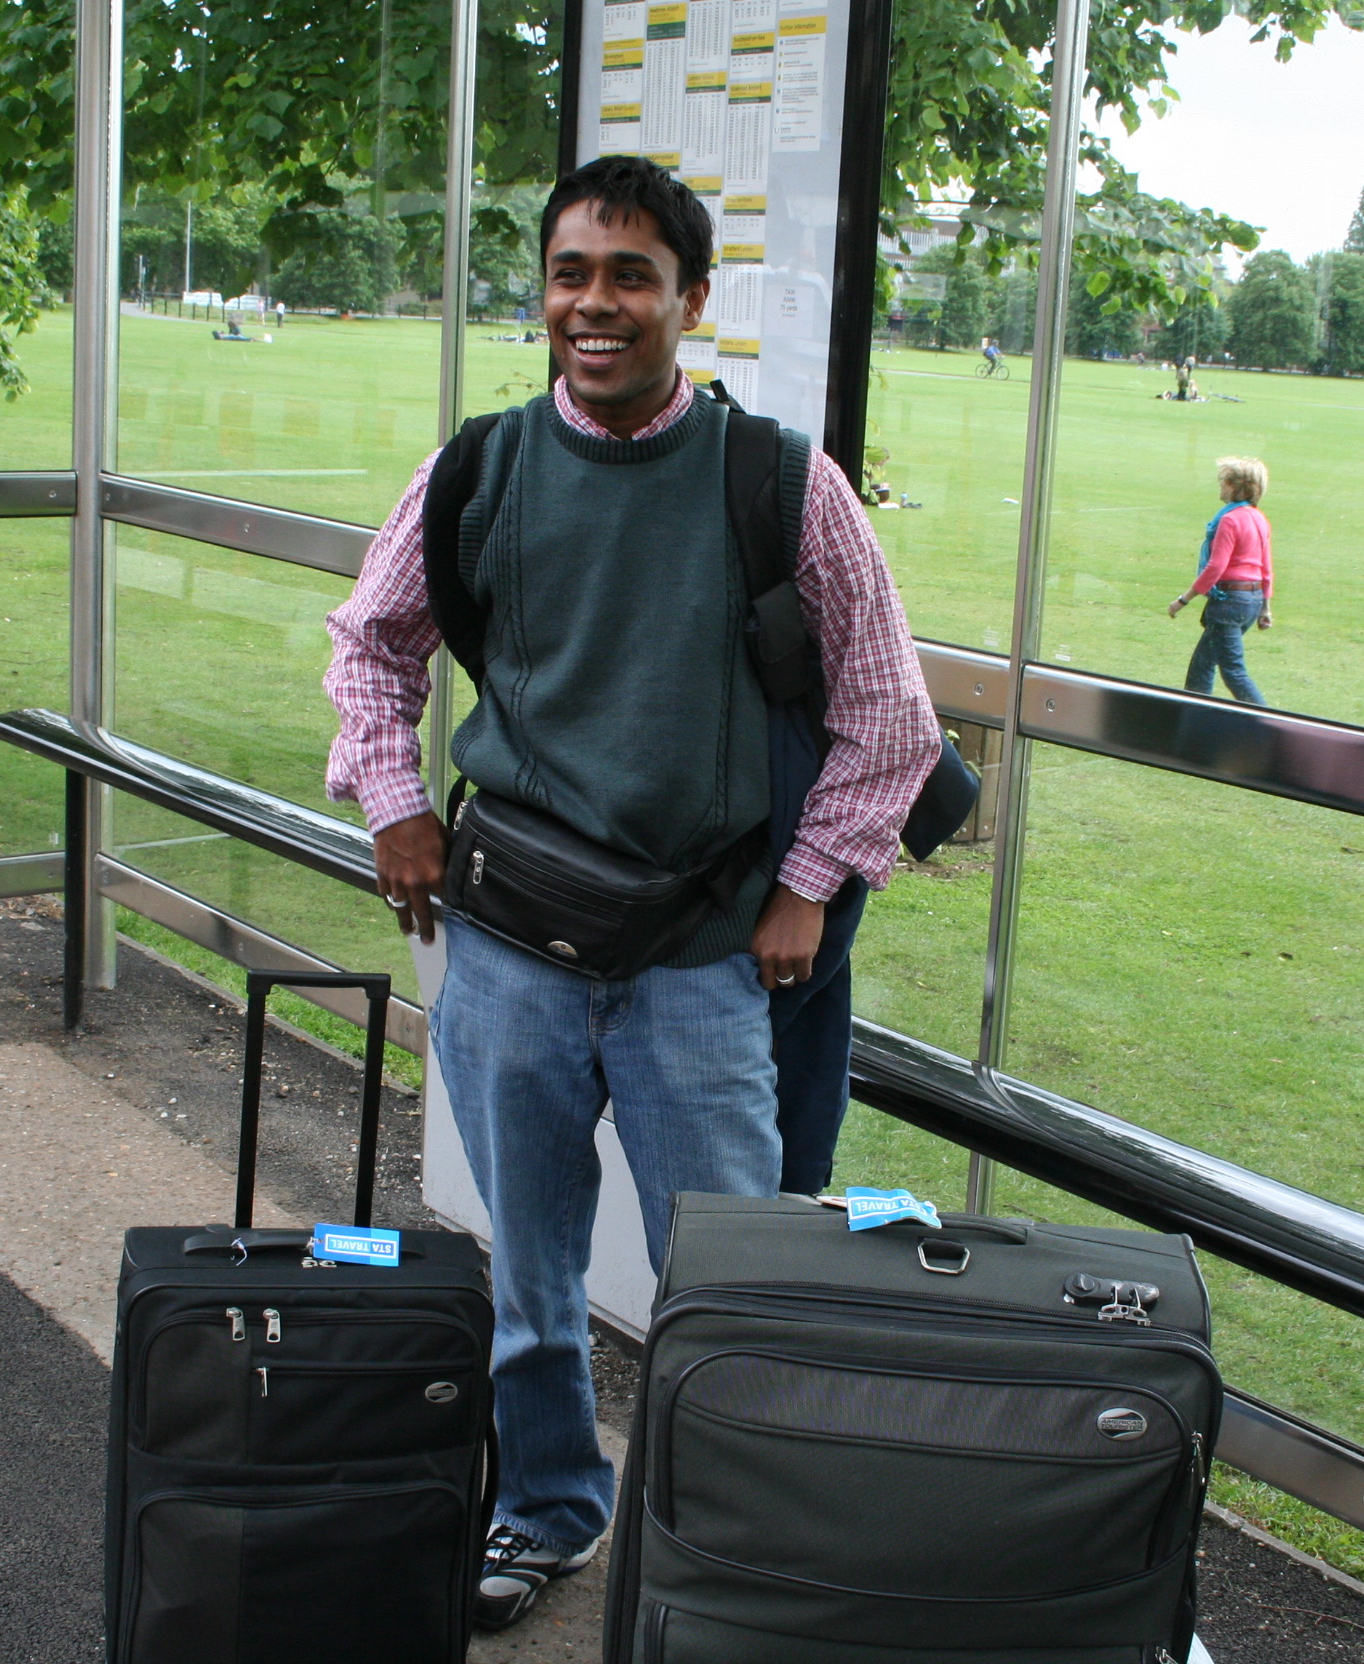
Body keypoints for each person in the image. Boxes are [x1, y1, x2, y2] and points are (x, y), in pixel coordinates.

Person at [323, 155, 941, 1634]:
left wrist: (804, 891)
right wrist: (397, 804)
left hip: (698, 960)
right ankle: (545, 1512)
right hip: (510, 945)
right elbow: (372, 647)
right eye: (570, 275)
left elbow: (892, 718)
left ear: (690, 302)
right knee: (528, 1277)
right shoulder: (475, 468)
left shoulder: (780, 482)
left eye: (630, 278)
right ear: (541, 291)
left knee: (731, 1287)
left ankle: (735, 1548)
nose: (594, 307)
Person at [1169, 455, 1274, 706]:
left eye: (1224, 480)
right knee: (1201, 667)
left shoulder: (1229, 519)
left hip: (1229, 605)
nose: (1220, 485)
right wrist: (1265, 608)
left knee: (1233, 672)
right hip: (1251, 601)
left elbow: (1216, 566)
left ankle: (1269, 727)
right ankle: (1195, 719)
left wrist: (1184, 600)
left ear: (1234, 486)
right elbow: (1266, 568)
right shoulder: (1259, 518)